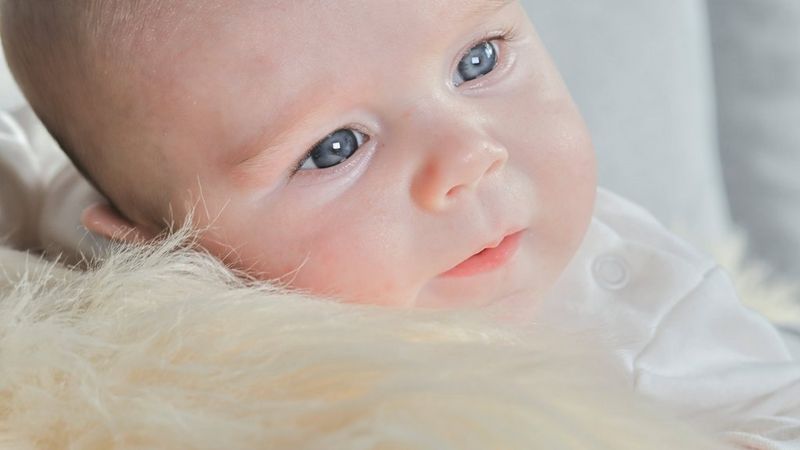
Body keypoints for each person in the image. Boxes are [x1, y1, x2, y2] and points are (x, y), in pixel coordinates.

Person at [0, 1, 798, 447]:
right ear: (149, 239)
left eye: (478, 60)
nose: (468, 156)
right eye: (336, 147)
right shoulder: (144, 333)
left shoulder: (626, 297)